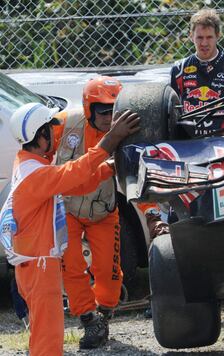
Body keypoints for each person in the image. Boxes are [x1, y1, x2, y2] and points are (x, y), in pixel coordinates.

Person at [0, 102, 139, 356]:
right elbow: (75, 172)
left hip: (34, 266)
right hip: (40, 269)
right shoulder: (36, 175)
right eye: (50, 132)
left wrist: (107, 168)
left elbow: (73, 183)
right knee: (48, 342)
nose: (55, 137)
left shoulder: (27, 165)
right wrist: (110, 140)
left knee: (43, 336)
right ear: (40, 136)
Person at [52, 76, 167, 349]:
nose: (109, 117)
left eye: (114, 110)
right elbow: (38, 151)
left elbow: (139, 180)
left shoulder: (127, 134)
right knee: (72, 266)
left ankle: (104, 312)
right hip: (67, 209)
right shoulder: (65, 123)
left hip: (104, 210)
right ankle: (89, 319)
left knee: (109, 272)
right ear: (89, 108)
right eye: (103, 111)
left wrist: (153, 215)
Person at [170, 8, 224, 136]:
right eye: (200, 37)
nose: (204, 43)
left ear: (218, 35)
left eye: (209, 37)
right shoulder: (179, 70)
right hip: (190, 144)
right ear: (191, 36)